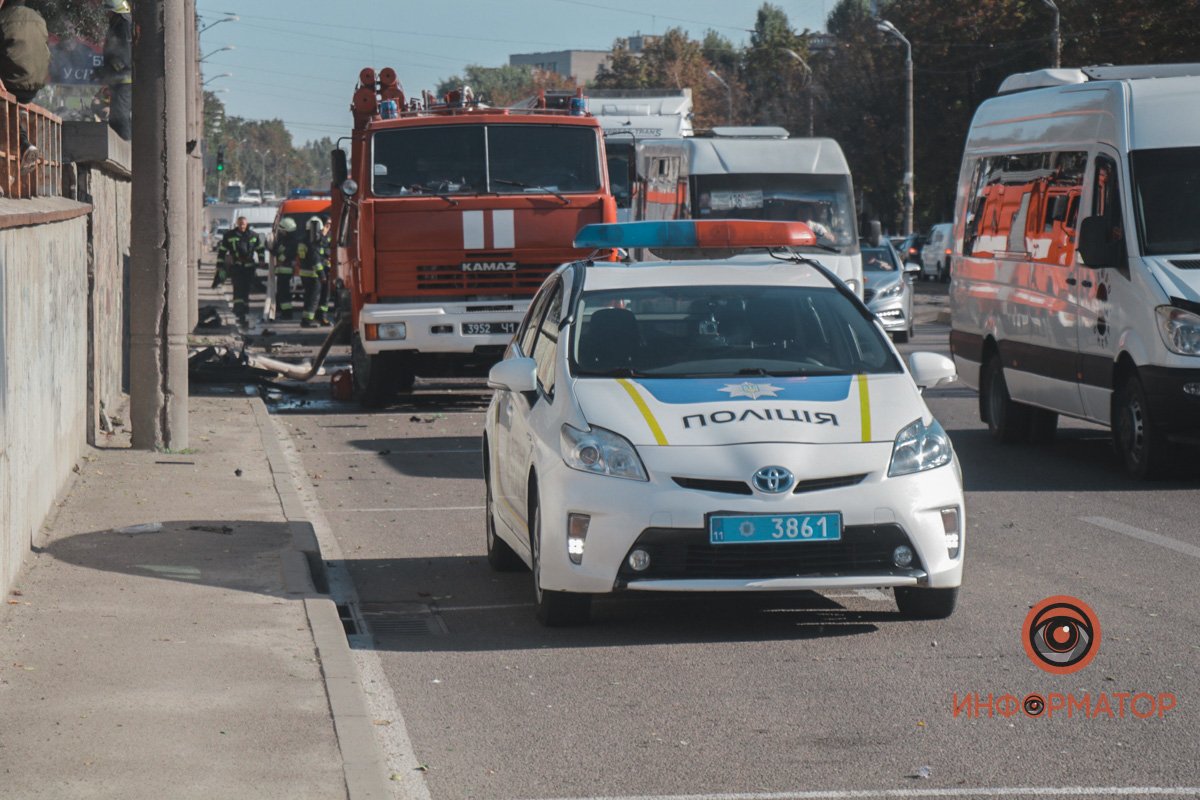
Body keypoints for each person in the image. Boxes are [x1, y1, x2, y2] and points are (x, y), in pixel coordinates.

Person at [0, 0, 50, 172]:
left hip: (10, 84)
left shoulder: (3, 18)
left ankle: (23, 145)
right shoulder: (38, 18)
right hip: (32, 87)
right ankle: (24, 143)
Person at [216, 216, 266, 327]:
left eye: (243, 224)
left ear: (246, 224)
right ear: (237, 224)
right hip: (237, 267)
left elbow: (260, 249)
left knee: (246, 289)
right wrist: (219, 265)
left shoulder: (254, 235)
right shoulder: (229, 236)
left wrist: (262, 260)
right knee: (238, 288)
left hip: (249, 267)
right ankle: (239, 311)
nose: (242, 226)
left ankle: (245, 310)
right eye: (240, 224)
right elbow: (222, 252)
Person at [98, 0, 132, 140]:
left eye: (109, 12)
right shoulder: (119, 25)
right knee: (116, 117)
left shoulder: (122, 26)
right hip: (119, 79)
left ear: (116, 12)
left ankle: (125, 149)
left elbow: (123, 54)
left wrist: (112, 68)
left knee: (120, 118)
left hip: (123, 80)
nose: (107, 15)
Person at [295, 217, 330, 328]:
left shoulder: (304, 239)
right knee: (313, 298)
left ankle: (319, 317)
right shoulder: (312, 242)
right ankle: (307, 321)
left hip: (306, 273)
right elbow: (315, 259)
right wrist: (322, 274)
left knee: (311, 297)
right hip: (314, 274)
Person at [272, 217, 300, 320]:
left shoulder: (292, 242)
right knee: (281, 293)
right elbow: (275, 251)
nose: (280, 232)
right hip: (280, 271)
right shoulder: (282, 240)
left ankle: (287, 314)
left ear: (287, 230)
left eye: (282, 230)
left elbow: (287, 255)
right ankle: (283, 312)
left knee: (284, 293)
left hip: (286, 271)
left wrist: (279, 257)